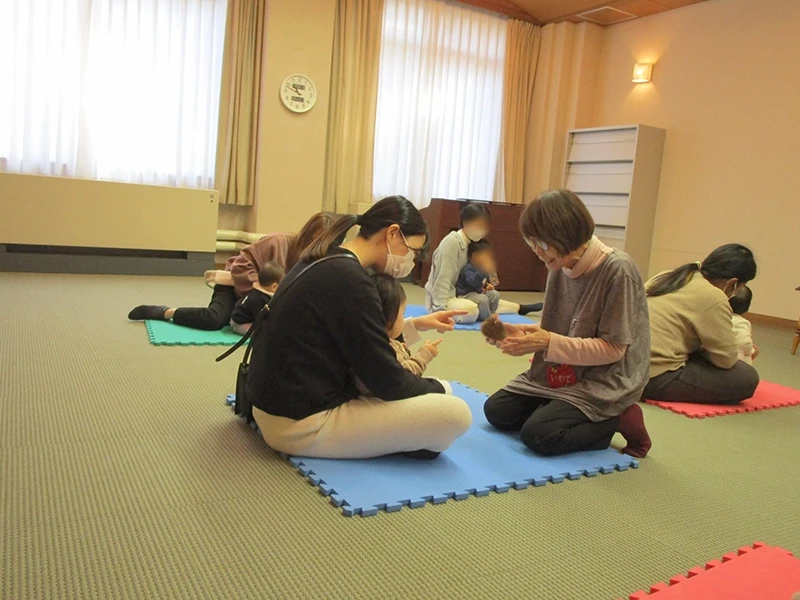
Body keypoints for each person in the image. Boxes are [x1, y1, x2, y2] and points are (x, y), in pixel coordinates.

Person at [245, 195, 473, 460]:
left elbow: (356, 338)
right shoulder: (352, 279)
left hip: (272, 409)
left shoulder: (327, 258)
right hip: (301, 425)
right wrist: (438, 388)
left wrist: (415, 325)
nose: (411, 261)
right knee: (456, 413)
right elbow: (386, 381)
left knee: (429, 403)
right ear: (392, 234)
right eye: (412, 251)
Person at [483, 189, 652, 458]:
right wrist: (525, 334)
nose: (537, 251)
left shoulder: (618, 270)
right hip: (564, 370)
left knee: (539, 435)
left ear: (567, 235)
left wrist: (547, 341)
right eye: (531, 242)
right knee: (497, 412)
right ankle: (564, 409)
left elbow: (614, 350)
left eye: (542, 243)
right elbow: (560, 331)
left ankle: (619, 417)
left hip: (606, 377)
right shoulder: (559, 265)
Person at [127, 212, 336, 330]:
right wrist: (260, 292)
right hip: (235, 285)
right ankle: (165, 312)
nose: (314, 244)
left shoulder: (318, 259)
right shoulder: (279, 241)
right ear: (306, 233)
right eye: (313, 238)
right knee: (214, 319)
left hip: (264, 300)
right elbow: (240, 265)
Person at [644, 244, 760, 404]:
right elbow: (726, 359)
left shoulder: (669, 276)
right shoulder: (714, 296)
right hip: (653, 375)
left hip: (624, 367)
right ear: (732, 283)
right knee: (747, 377)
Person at [424, 202, 542, 324]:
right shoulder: (452, 242)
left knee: (490, 298)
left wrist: (486, 284)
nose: (481, 229)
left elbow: (480, 277)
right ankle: (483, 314)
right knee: (472, 310)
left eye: (484, 226)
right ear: (465, 223)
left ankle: (519, 308)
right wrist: (440, 311)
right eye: (478, 225)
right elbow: (442, 279)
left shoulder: (474, 243)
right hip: (445, 297)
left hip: (464, 293)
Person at [229, 262, 286, 335]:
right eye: (282, 284)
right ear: (274, 287)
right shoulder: (258, 299)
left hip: (250, 319)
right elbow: (260, 319)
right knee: (260, 333)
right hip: (239, 323)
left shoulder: (264, 293)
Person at [456, 240, 502, 322]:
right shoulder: (468, 268)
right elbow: (473, 281)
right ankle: (487, 319)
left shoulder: (483, 269)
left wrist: (489, 287)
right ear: (475, 256)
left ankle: (490, 313)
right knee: (482, 299)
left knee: (495, 294)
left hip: (478, 293)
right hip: (466, 294)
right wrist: (483, 270)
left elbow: (485, 282)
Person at [729, 285, 756, 365]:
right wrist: (752, 350)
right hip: (734, 361)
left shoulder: (719, 316)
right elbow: (744, 342)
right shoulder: (741, 323)